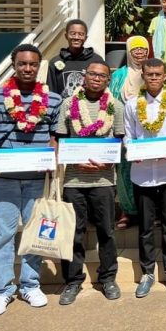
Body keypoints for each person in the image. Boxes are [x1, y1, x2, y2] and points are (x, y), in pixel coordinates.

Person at [0, 44, 62, 317]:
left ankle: (30, 284)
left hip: (36, 180)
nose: (27, 69)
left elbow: (53, 136)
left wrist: (53, 156)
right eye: (22, 64)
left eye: (33, 65)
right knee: (2, 236)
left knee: (34, 234)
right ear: (14, 64)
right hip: (4, 179)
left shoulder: (52, 100)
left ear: (39, 67)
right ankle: (2, 291)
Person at [57, 60, 125, 305]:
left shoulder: (115, 106)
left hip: (104, 180)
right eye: (92, 74)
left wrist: (108, 162)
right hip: (74, 180)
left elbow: (119, 140)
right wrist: (74, 161)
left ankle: (108, 278)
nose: (97, 79)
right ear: (84, 77)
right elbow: (61, 140)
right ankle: (73, 281)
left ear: (108, 80)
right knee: (73, 233)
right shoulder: (68, 104)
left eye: (102, 76)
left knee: (107, 232)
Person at [123, 58, 166, 298]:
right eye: (149, 74)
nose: (153, 78)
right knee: (146, 228)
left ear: (165, 75)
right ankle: (147, 272)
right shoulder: (132, 104)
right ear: (143, 75)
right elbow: (128, 136)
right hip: (142, 174)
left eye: (158, 74)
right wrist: (132, 152)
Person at [109, 36, 150, 230]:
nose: (140, 52)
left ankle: (148, 211)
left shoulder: (152, 71)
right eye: (136, 49)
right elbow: (111, 101)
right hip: (124, 128)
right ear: (128, 51)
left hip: (148, 129)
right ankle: (127, 210)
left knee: (148, 169)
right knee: (125, 170)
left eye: (143, 49)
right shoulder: (119, 75)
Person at [47, 19, 103, 97]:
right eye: (73, 34)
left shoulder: (97, 61)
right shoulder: (55, 62)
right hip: (63, 108)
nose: (76, 37)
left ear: (86, 37)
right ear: (66, 36)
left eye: (81, 34)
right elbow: (51, 92)